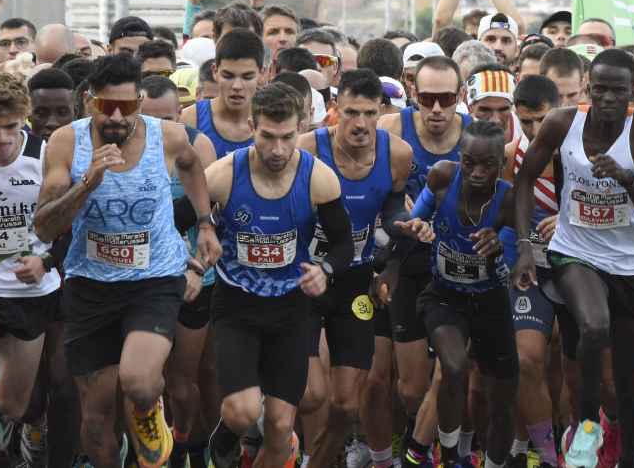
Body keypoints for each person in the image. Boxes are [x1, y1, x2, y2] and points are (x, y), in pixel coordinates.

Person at [34, 54, 220, 468]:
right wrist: (88, 182)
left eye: (127, 106)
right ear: (88, 102)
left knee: (139, 383)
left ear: (139, 101)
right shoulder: (66, 143)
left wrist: (205, 222)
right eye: (106, 106)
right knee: (96, 421)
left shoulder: (167, 136)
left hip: (154, 280)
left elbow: (192, 166)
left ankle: (148, 409)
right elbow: (45, 228)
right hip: (90, 285)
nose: (117, 116)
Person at [512, 49, 634, 468]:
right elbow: (524, 180)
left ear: (632, 93)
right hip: (574, 251)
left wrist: (626, 178)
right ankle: (585, 427)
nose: (608, 98)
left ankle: (627, 460)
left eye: (618, 90)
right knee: (594, 326)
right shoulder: (562, 122)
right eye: (600, 89)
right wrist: (525, 247)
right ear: (587, 88)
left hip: (630, 263)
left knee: (629, 383)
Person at [201, 83, 361, 468]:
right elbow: (175, 220)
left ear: (301, 127)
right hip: (236, 306)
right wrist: (201, 239)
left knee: (279, 425)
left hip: (290, 309)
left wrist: (325, 270)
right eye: (267, 137)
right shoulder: (223, 175)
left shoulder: (318, 177)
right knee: (242, 412)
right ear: (251, 127)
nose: (277, 150)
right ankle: (228, 431)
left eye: (287, 137)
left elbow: (343, 244)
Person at [295, 70, 412, 468]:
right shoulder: (307, 148)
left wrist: (405, 231)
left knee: (346, 404)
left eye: (370, 113)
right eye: (351, 113)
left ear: (381, 111)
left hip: (357, 285)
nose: (361, 123)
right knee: (312, 394)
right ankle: (291, 446)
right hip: (308, 281)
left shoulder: (397, 154)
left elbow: (392, 213)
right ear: (334, 109)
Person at [405, 120, 520, 468]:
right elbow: (413, 223)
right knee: (454, 367)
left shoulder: (509, 199)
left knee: (502, 408)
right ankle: (452, 456)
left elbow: (509, 270)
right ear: (459, 157)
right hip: (444, 296)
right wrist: (415, 228)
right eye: (469, 162)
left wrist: (498, 252)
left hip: (491, 304)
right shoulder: (442, 176)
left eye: (488, 165)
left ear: (502, 164)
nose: (477, 173)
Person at [375, 56, 473, 447]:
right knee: (412, 388)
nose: (435, 108)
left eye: (445, 99)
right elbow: (367, 193)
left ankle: (433, 451)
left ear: (460, 96)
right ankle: (424, 441)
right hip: (406, 263)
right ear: (413, 93)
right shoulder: (391, 129)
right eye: (427, 97)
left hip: (458, 268)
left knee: (453, 372)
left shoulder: (475, 134)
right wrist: (392, 210)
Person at [138, 74, 219, 468]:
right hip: (138, 280)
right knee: (142, 382)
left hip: (194, 279)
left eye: (169, 120)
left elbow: (209, 212)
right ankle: (149, 450)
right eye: (150, 121)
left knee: (182, 387)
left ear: (181, 114)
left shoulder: (197, 144)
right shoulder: (121, 149)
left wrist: (198, 268)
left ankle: (184, 446)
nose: (160, 130)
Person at [0, 72, 67, 465]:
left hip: (31, 292)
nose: (1, 139)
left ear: (24, 119)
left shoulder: (45, 156)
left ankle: (27, 428)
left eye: (10, 127)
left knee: (12, 405)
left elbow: (76, 226)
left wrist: (46, 261)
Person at [501, 75, 561, 468]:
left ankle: (574, 444)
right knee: (527, 359)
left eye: (542, 119)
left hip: (577, 270)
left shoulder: (584, 153)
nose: (535, 129)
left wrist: (569, 222)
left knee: (570, 364)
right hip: (527, 269)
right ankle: (545, 456)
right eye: (525, 121)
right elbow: (499, 214)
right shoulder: (510, 155)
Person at [181, 31, 265, 158]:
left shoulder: (273, 124)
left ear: (262, 74)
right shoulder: (188, 120)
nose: (237, 86)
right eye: (228, 76)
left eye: (247, 77)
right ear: (215, 71)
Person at [466, 64, 521, 142]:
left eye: (503, 110)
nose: (495, 120)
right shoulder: (456, 133)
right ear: (470, 107)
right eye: (485, 110)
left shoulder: (525, 127)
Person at [27, 68, 76, 142]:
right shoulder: (15, 147)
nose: (52, 124)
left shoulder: (89, 147)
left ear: (75, 112)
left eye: (62, 113)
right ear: (28, 113)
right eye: (42, 113)